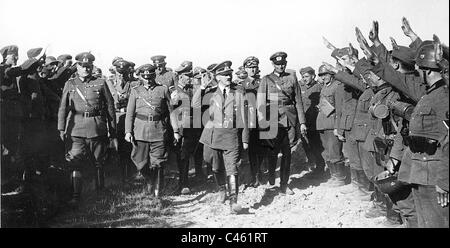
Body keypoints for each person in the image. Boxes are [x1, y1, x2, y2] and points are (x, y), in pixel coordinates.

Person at [399, 44, 449, 227]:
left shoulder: (443, 97)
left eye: (419, 68)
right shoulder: (430, 95)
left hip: (435, 176)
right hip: (422, 173)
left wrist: (444, 182)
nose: (417, 72)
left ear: (428, 70)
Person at [57, 52, 117, 206]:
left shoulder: (100, 83)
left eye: (89, 67)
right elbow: (63, 108)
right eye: (83, 66)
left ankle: (100, 194)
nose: (86, 69)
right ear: (77, 67)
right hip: (76, 128)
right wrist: (61, 128)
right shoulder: (70, 84)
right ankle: (76, 197)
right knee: (75, 161)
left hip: (97, 127)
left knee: (98, 162)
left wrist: (112, 129)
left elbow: (110, 107)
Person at [194, 61, 249, 214]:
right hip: (212, 135)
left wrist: (245, 138)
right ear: (217, 77)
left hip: (231, 135)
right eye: (225, 75)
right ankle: (221, 188)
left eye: (229, 74)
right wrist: (202, 87)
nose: (228, 77)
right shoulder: (210, 92)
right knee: (213, 164)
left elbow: (244, 117)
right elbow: (195, 105)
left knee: (232, 168)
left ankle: (234, 202)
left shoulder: (238, 92)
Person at [124, 64, 180, 198]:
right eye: (145, 77)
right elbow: (130, 113)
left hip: (158, 129)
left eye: (150, 77)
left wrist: (176, 131)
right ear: (141, 77)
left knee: (158, 163)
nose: (148, 80)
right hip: (140, 131)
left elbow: (171, 112)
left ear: (154, 76)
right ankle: (150, 180)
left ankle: (157, 193)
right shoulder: (135, 91)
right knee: (140, 162)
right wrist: (128, 131)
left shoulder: (163, 89)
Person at [256, 52, 307, 195]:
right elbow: (260, 102)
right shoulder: (266, 80)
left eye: (283, 63)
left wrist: (302, 122)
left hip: (289, 118)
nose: (281, 66)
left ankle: (284, 184)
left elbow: (298, 101)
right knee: (272, 152)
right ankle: (272, 177)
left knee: (287, 152)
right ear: (273, 64)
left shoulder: (292, 79)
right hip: (272, 118)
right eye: (278, 64)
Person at [172, 61, 204, 194]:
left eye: (190, 75)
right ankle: (183, 183)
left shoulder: (192, 89)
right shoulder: (174, 91)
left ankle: (199, 177)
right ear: (180, 77)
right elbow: (172, 111)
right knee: (183, 156)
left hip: (195, 126)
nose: (190, 78)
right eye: (187, 76)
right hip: (181, 128)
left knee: (197, 152)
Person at [298, 66, 325, 176]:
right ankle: (312, 164)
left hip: (314, 121)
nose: (304, 79)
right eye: (302, 77)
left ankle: (320, 166)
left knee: (316, 144)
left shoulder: (319, 87)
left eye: (306, 76)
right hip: (303, 121)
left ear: (313, 76)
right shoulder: (300, 87)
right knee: (305, 144)